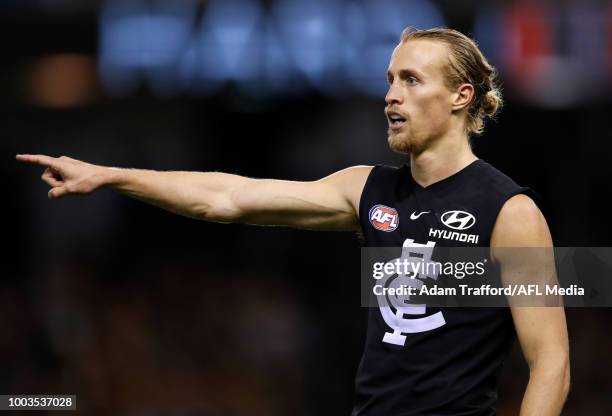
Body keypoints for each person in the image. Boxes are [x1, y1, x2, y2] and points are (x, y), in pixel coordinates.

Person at [16, 27, 569, 415]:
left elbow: (551, 362)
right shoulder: (367, 189)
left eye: (411, 80)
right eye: (390, 79)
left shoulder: (509, 212)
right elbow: (228, 198)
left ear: (460, 96)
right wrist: (112, 175)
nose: (390, 96)